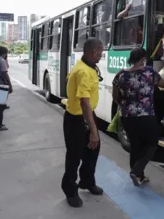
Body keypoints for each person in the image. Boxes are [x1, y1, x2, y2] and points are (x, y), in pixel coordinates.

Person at [112, 47, 164, 186]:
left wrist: (124, 105)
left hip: (127, 117)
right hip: (146, 116)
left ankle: (139, 176)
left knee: (135, 146)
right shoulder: (149, 72)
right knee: (152, 144)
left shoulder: (121, 75)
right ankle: (137, 171)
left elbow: (115, 96)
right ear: (141, 60)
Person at [61, 37, 104, 208]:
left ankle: (87, 181)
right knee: (74, 156)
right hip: (77, 119)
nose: (101, 54)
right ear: (94, 52)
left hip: (86, 115)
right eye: (100, 51)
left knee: (93, 151)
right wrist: (92, 130)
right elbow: (84, 102)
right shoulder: (84, 71)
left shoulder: (85, 66)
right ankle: (70, 190)